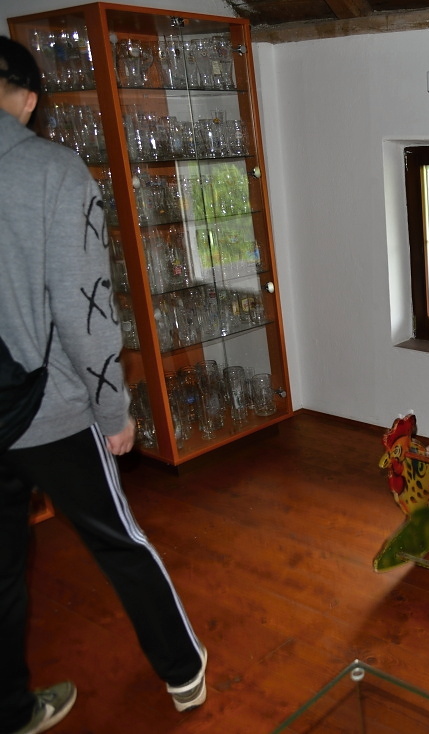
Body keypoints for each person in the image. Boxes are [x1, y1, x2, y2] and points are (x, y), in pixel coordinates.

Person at [0, 36, 206, 734]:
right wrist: (113, 411)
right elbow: (83, 308)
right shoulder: (54, 172)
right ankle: (183, 671)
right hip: (47, 407)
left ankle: (12, 710)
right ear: (28, 99)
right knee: (118, 539)